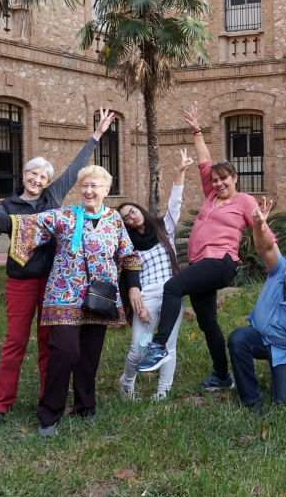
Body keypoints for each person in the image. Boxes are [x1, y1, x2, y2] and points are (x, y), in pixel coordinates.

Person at [0, 109, 115, 427]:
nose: (38, 180)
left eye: (43, 177)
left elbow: (75, 170)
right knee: (14, 343)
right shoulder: (8, 207)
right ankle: (0, 406)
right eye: (33, 175)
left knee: (50, 343)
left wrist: (97, 136)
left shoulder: (53, 196)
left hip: (52, 284)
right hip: (20, 282)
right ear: (23, 175)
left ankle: (49, 401)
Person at [0, 165, 140, 437]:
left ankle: (85, 407)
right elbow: (27, 224)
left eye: (95, 186)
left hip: (100, 297)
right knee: (65, 351)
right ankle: (48, 415)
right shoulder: (65, 216)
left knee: (89, 356)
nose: (89, 191)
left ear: (106, 190)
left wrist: (134, 289)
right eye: (85, 186)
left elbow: (128, 256)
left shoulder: (114, 220)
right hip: (64, 297)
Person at [136, 104, 272, 390]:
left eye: (224, 178)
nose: (219, 182)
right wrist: (197, 130)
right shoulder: (212, 197)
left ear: (235, 178)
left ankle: (159, 345)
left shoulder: (244, 201)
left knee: (173, 287)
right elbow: (205, 162)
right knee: (207, 323)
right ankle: (222, 375)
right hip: (201, 265)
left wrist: (262, 227)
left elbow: (266, 237)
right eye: (215, 179)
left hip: (221, 262)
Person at [228, 197, 286, 414]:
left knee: (282, 402)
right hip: (259, 336)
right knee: (237, 339)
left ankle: (283, 375)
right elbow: (263, 248)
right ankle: (251, 400)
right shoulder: (279, 269)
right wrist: (259, 225)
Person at [116, 149, 193, 400]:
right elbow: (129, 272)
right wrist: (136, 301)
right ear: (125, 224)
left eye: (133, 210)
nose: (132, 215)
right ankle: (126, 383)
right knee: (139, 349)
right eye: (126, 216)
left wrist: (180, 172)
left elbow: (175, 203)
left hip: (173, 292)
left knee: (168, 346)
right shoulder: (127, 245)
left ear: (140, 209)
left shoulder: (164, 228)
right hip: (146, 295)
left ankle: (163, 393)